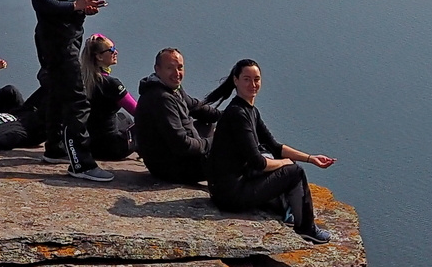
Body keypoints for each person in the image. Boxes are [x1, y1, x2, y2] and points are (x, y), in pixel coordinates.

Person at [205, 58, 337, 243]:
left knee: (277, 158)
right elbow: (257, 162)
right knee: (294, 172)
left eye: (256, 79)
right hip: (231, 195)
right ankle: (306, 228)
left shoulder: (249, 110)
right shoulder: (238, 114)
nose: (253, 84)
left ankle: (287, 209)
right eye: (246, 79)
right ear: (235, 80)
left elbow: (275, 147)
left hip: (226, 190)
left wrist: (311, 158)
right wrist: (287, 163)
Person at [30, 0, 111, 181]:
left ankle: (55, 148)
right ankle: (82, 164)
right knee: (78, 101)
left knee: (55, 93)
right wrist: (74, 5)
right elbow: (40, 3)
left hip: (71, 34)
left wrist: (83, 8)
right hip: (56, 40)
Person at [136, 47, 220, 183]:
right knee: (234, 156)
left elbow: (195, 106)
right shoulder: (161, 98)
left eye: (180, 67)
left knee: (209, 124)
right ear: (157, 69)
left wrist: (228, 116)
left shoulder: (172, 88)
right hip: (171, 167)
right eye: (170, 68)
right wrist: (215, 141)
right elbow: (182, 145)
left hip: (176, 154)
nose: (177, 73)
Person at [79, 34, 138, 163]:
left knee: (124, 117)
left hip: (90, 146)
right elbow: (138, 111)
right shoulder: (112, 84)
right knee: (145, 122)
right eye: (111, 50)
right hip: (113, 149)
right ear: (99, 57)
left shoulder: (83, 81)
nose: (115, 52)